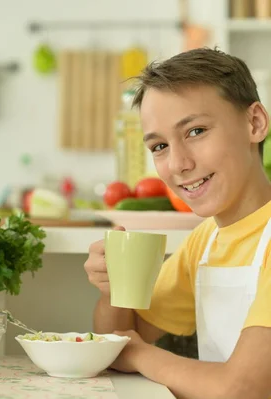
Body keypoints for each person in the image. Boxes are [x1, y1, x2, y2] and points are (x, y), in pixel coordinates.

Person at [84, 47, 271, 399]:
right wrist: (114, 290)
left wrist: (137, 353)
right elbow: (124, 334)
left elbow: (245, 387)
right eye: (159, 147)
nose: (178, 164)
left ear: (255, 123)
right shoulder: (206, 242)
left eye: (196, 130)